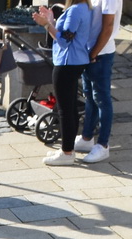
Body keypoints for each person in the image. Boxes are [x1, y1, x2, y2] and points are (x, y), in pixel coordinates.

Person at [30, 1, 96, 164]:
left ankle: (67, 153)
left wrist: (46, 25)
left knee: (65, 109)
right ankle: (68, 148)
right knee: (70, 107)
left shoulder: (74, 11)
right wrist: (51, 21)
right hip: (76, 60)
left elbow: (64, 41)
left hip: (67, 63)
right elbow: (65, 34)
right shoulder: (83, 8)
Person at [76, 0, 118, 163]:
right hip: (89, 50)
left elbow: (108, 27)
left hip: (101, 53)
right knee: (89, 96)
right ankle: (87, 138)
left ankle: (103, 145)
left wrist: (93, 54)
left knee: (102, 99)